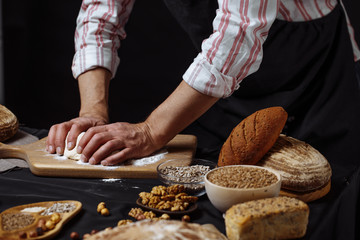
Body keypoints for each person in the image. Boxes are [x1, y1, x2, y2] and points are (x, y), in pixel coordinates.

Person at [46, 0, 360, 169]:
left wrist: (151, 131)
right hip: (225, 88)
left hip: (312, 72)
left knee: (320, 188)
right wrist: (93, 110)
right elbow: (100, 17)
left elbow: (238, 33)